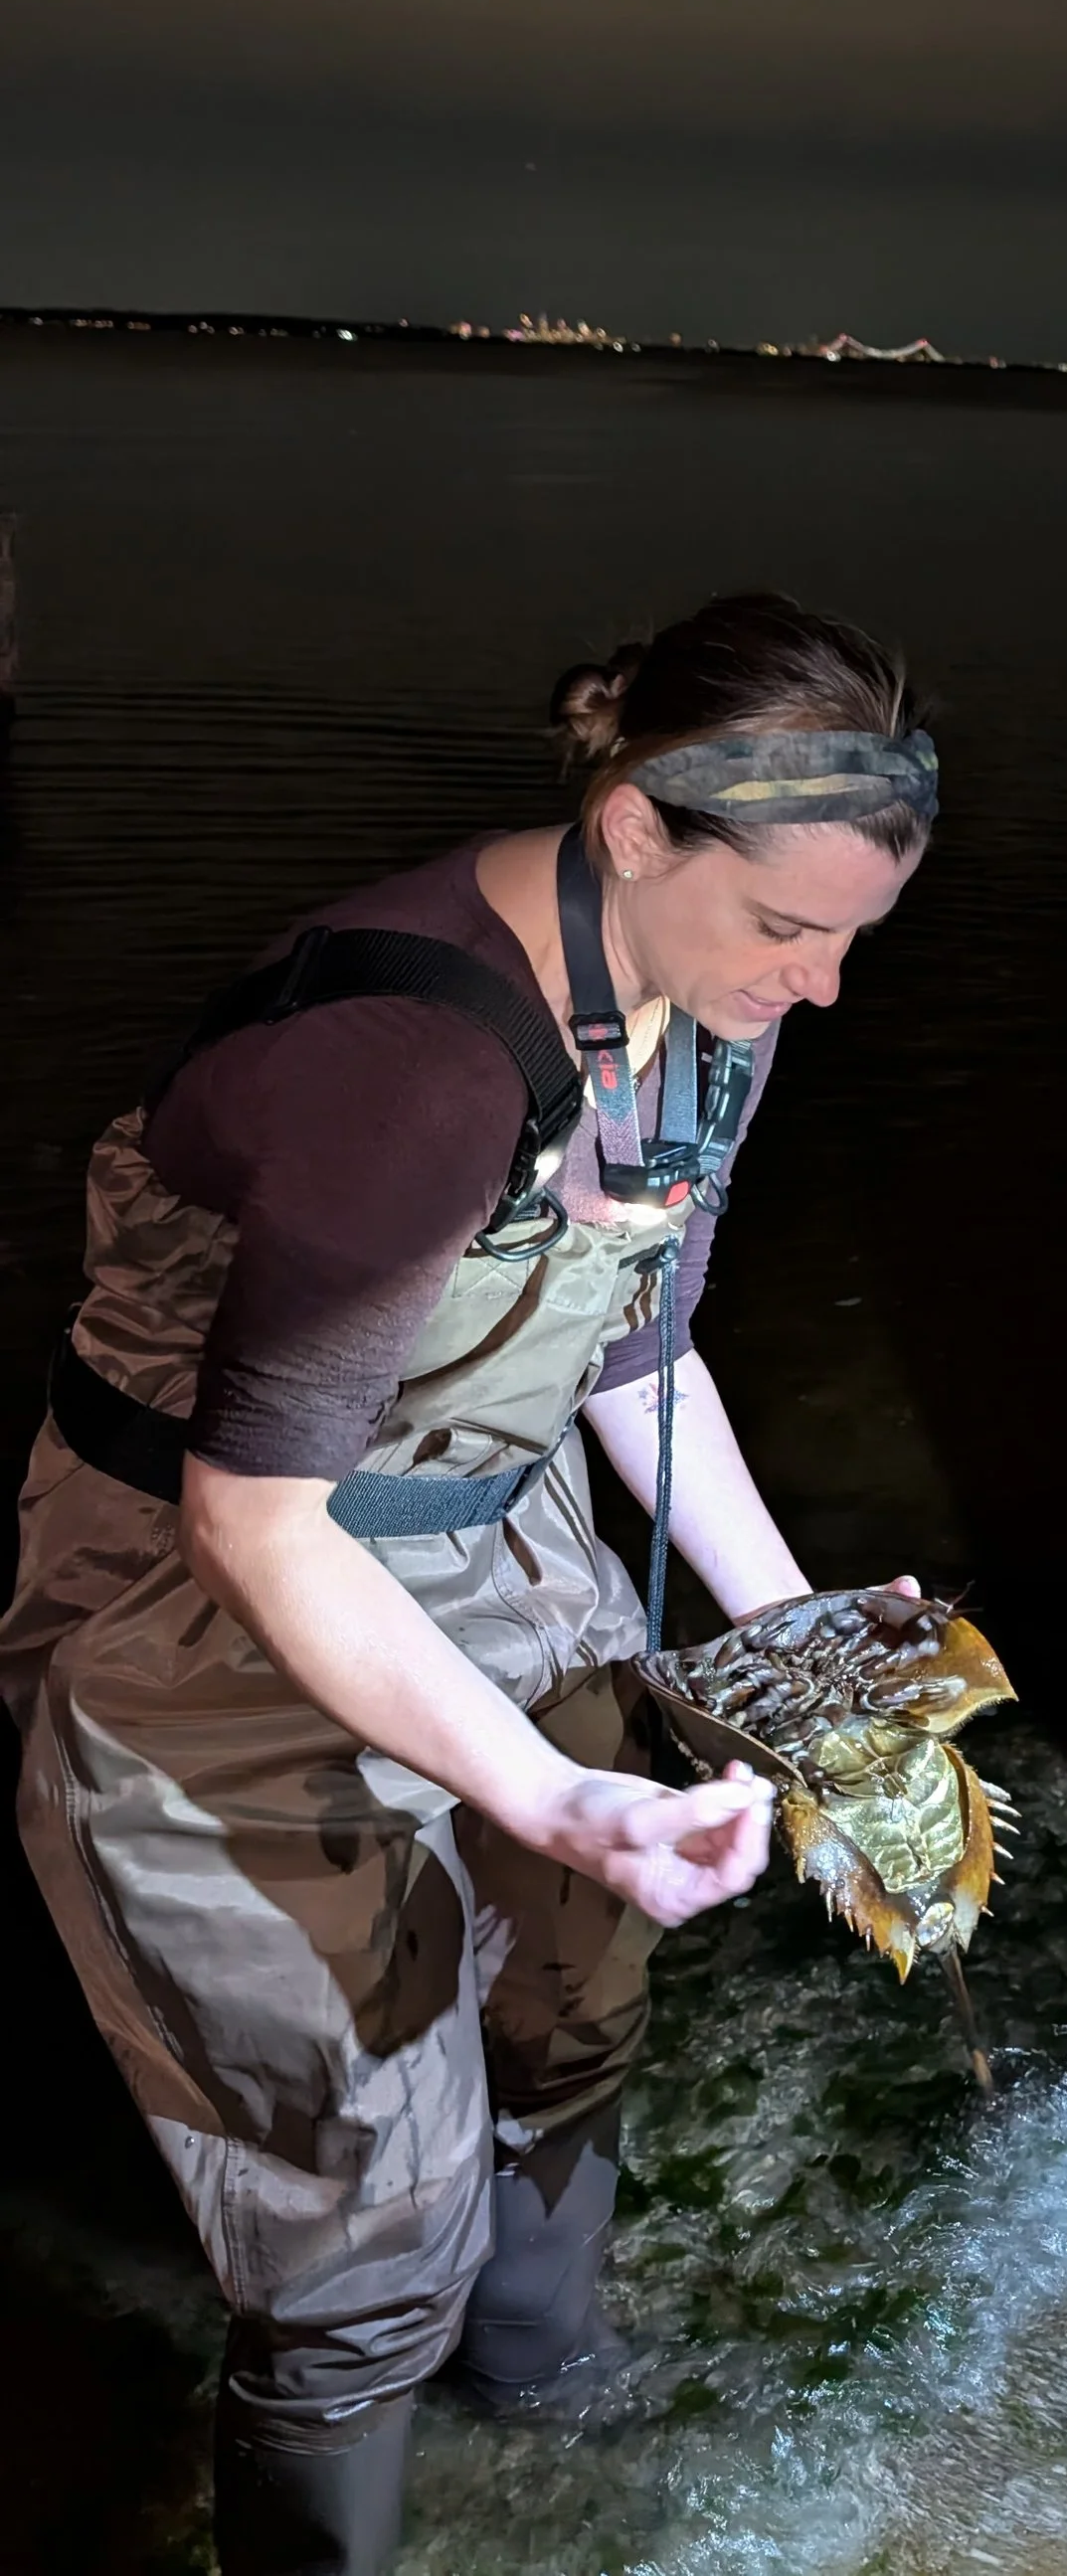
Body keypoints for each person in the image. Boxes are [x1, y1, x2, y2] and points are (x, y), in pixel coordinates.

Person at [0, 595, 937, 2576]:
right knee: (362, 2221)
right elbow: (251, 1524)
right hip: (213, 1611)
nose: (825, 984)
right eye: (789, 927)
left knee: (573, 2007)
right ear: (631, 830)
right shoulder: (412, 1059)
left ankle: (539, 2396)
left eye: (857, 934)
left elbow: (637, 1354)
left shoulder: (715, 1019)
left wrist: (800, 1637)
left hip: (498, 1525)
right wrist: (551, 1788)